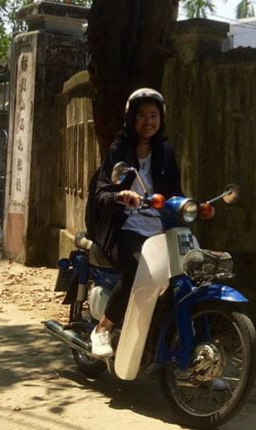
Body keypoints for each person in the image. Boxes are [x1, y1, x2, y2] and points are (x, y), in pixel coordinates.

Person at [89, 87, 183, 358]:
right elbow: (102, 194)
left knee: (187, 274)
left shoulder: (165, 151)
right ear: (131, 118)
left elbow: (176, 191)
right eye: (141, 115)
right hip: (123, 228)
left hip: (159, 228)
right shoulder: (119, 150)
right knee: (139, 272)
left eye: (154, 115)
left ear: (161, 118)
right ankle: (103, 328)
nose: (148, 121)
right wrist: (121, 195)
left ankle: (178, 345)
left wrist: (192, 206)